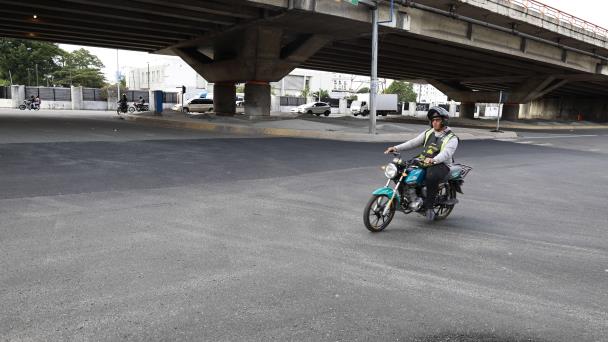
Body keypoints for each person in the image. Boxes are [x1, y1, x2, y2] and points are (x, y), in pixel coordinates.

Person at [384, 106, 459, 221]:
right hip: (424, 161)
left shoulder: (452, 138)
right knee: (401, 170)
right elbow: (413, 143)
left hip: (441, 164)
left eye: (437, 120)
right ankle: (409, 197)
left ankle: (429, 207)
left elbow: (446, 153)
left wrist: (434, 160)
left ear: (444, 121)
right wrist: (395, 147)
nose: (434, 122)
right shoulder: (428, 133)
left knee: (431, 175)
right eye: (433, 120)